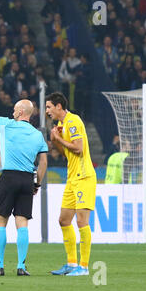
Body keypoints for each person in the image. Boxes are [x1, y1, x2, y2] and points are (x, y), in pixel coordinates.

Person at [0, 82, 48, 276]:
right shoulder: (38, 135)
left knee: (0, 220)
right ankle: (21, 267)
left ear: (21, 112)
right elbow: (44, 162)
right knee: (22, 222)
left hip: (9, 177)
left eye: (14, 110)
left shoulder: (8, 125)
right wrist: (37, 183)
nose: (12, 112)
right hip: (27, 179)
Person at [45, 92, 97, 276]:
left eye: (49, 107)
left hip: (84, 177)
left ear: (59, 106)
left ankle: (83, 267)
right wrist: (55, 140)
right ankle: (71, 263)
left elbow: (79, 148)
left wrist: (58, 139)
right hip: (72, 178)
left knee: (82, 221)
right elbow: (65, 152)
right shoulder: (61, 124)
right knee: (64, 220)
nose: (47, 111)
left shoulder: (73, 121)